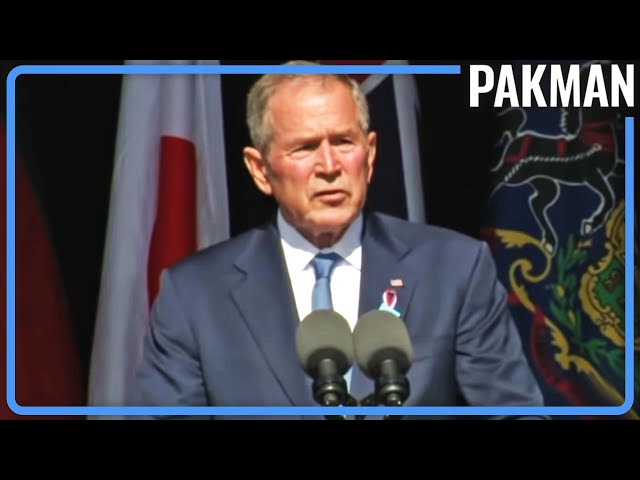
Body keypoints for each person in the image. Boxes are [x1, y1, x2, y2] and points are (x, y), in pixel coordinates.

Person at [131, 61, 548, 419]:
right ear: (260, 170)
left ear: (370, 155)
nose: (329, 165)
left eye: (343, 142)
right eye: (305, 147)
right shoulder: (194, 295)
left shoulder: (455, 269)